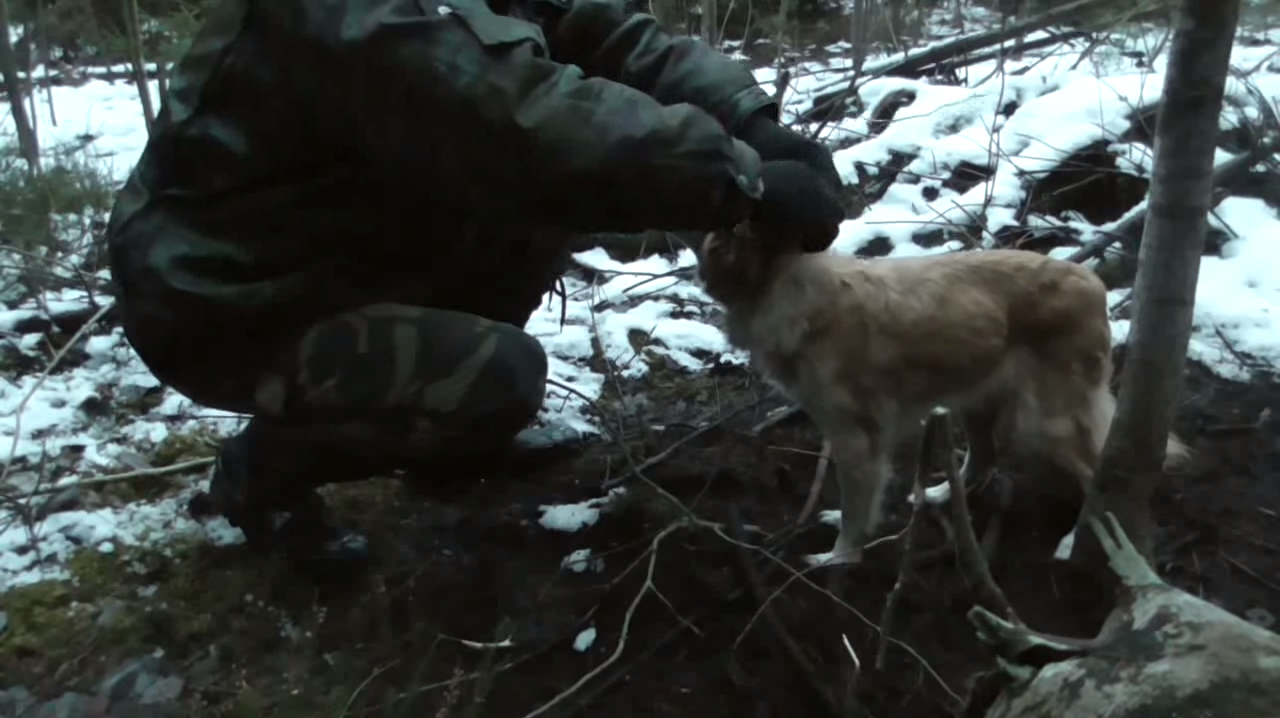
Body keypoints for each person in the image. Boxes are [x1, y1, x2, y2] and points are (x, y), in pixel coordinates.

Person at [105, 0, 846, 578]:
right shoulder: (349, 15)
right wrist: (740, 179)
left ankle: (441, 439)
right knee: (498, 377)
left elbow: (603, 33)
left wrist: (753, 123)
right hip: (223, 299)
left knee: (535, 218)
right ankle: (261, 472)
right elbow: (525, 123)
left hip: (334, 247)